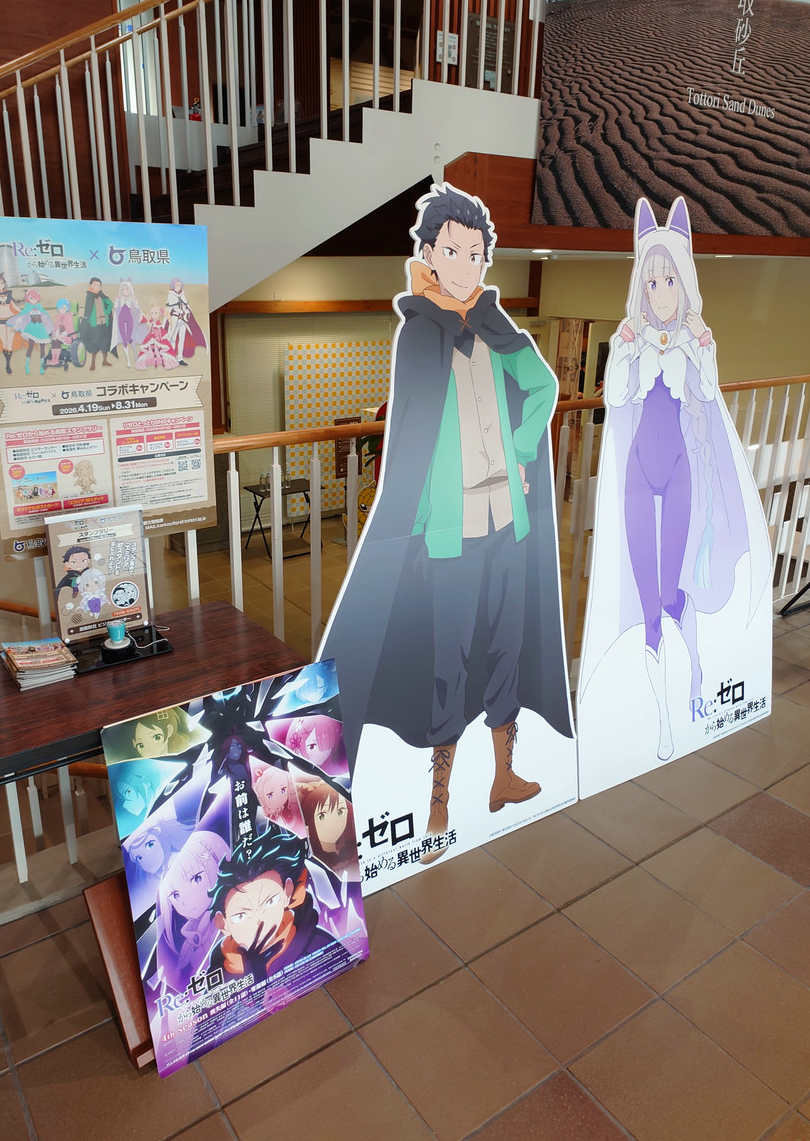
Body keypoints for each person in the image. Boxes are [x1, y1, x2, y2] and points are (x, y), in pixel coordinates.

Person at [318, 184, 573, 863]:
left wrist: (522, 450)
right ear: (429, 253)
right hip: (448, 535)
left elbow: (543, 387)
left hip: (507, 525)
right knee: (448, 661)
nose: (465, 264)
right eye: (453, 251)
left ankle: (504, 775)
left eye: (476, 252)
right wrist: (413, 519)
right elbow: (410, 438)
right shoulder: (418, 335)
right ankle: (439, 801)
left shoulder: (497, 326)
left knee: (507, 645)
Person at [578, 198, 770, 761]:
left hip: (682, 470)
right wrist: (624, 348)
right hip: (639, 472)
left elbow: (707, 393)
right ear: (641, 286)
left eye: (669, 281)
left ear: (683, 283)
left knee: (670, 591)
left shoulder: (694, 340)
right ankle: (662, 719)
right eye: (652, 281)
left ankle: (694, 676)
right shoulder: (630, 339)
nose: (661, 292)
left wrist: (700, 344)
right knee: (647, 600)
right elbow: (616, 398)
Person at [208, 829, 343, 982]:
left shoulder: (317, 945)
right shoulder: (220, 969)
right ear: (223, 923)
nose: (259, 923)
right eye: (241, 916)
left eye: (270, 902)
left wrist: (260, 979)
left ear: (287, 893)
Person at [156, 830, 230, 993]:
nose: (185, 900)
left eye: (197, 878)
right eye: (175, 895)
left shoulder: (230, 920)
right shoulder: (189, 938)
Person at [164, 277, 206, 365]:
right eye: (176, 285)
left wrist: (186, 312)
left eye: (179, 285)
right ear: (173, 285)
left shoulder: (182, 294)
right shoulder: (171, 295)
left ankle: (180, 358)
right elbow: (173, 308)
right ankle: (170, 358)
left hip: (182, 320)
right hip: (175, 318)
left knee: (182, 339)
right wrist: (182, 311)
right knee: (172, 338)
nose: (178, 286)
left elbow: (186, 306)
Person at [79, 276, 114, 371]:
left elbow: (110, 304)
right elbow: (88, 310)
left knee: (105, 342)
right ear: (91, 285)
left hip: (104, 323)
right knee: (94, 343)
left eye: (98, 285)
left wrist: (106, 312)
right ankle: (93, 363)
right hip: (94, 324)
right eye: (94, 284)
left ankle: (105, 361)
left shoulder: (102, 296)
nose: (96, 286)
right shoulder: (89, 296)